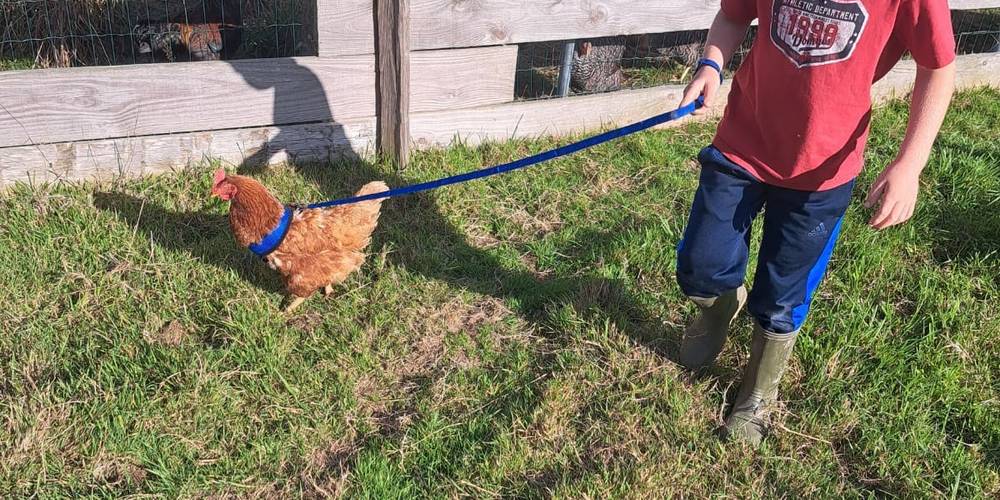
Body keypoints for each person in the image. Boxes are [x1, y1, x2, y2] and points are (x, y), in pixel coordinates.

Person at [675, 0, 956, 445]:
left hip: (821, 172)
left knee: (783, 293)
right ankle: (718, 311)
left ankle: (758, 392)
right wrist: (711, 65)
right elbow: (733, 14)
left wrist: (910, 164)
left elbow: (938, 67)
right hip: (743, 142)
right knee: (700, 265)